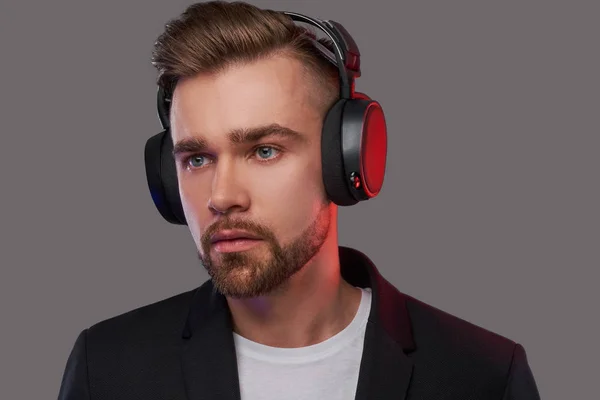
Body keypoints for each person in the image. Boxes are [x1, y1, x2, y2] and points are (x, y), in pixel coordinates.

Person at [57, 1, 541, 399]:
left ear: (345, 159)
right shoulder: (107, 370)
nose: (222, 197)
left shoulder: (482, 375)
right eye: (198, 159)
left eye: (264, 150)